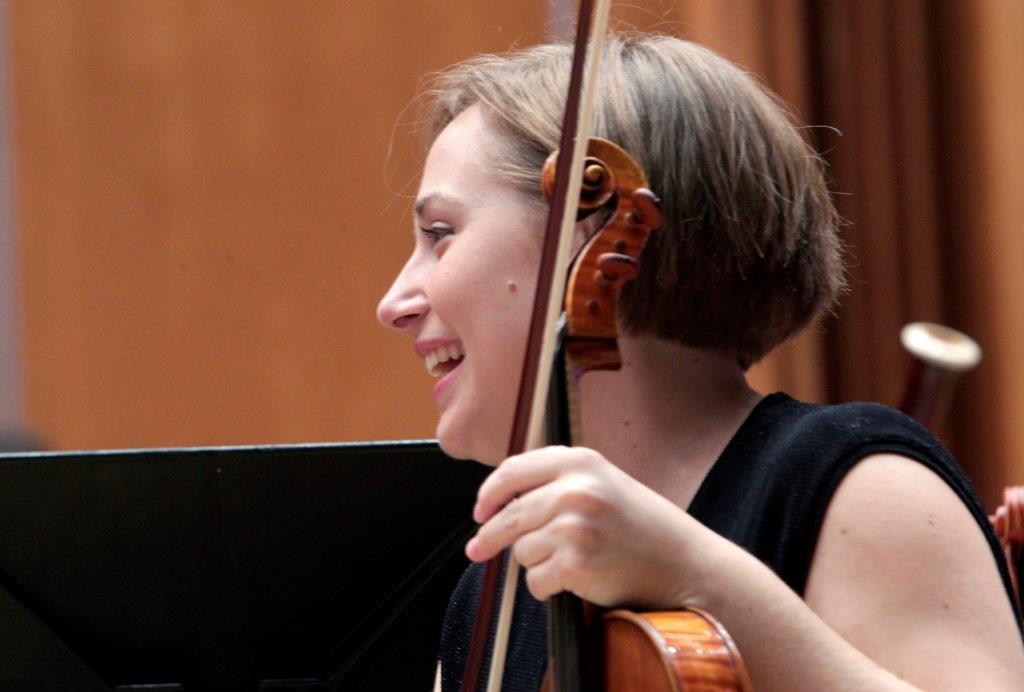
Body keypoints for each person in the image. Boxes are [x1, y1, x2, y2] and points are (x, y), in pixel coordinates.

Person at [376, 34, 1024, 690]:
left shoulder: (857, 487)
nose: (394, 302)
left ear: (589, 232)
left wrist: (693, 572)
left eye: (440, 235)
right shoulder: (495, 594)